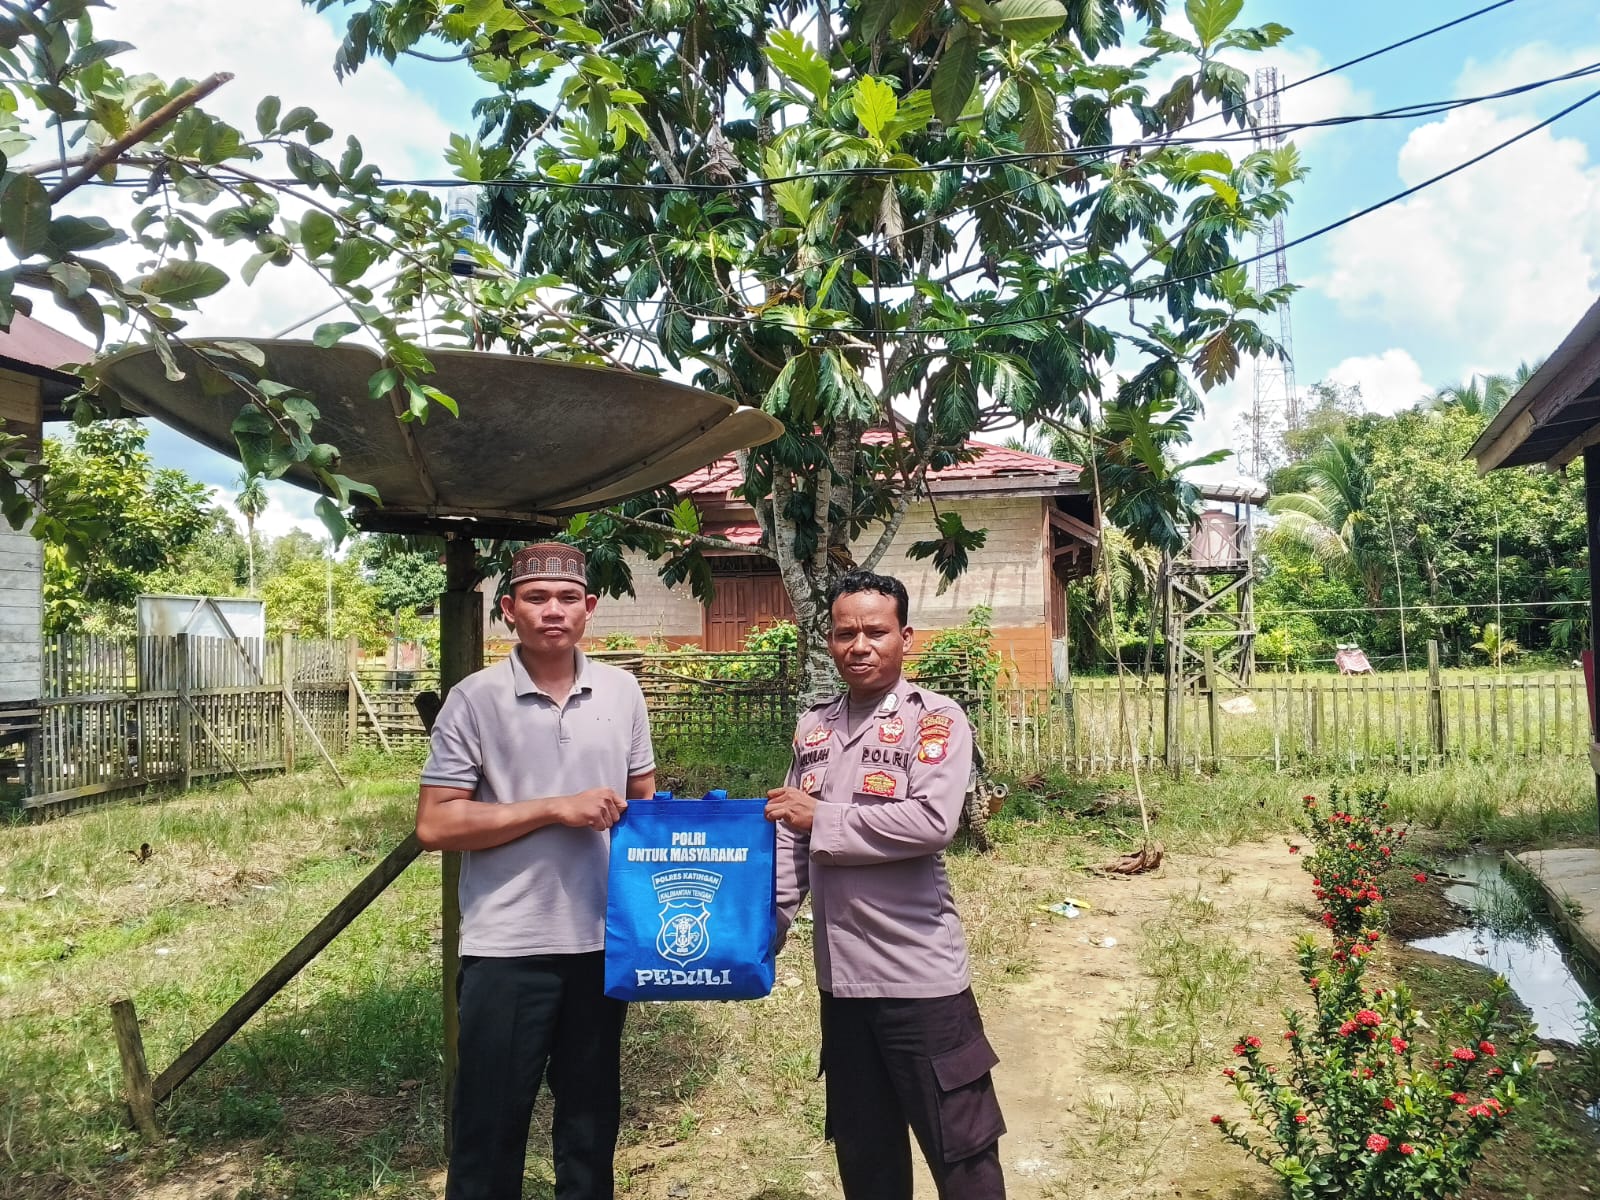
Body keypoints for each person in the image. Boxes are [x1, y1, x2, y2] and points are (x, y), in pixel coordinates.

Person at [416, 542, 656, 1200]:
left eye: (568, 598)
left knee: (589, 1128)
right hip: (507, 948)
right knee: (489, 1131)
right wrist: (555, 807)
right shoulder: (474, 700)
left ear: (590, 609)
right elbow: (435, 824)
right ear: (508, 611)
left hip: (601, 945)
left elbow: (647, 808)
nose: (554, 610)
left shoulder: (622, 690)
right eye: (536, 598)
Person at [765, 570, 1006, 1200]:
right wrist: (765, 926)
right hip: (841, 981)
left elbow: (931, 822)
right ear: (829, 639)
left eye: (876, 631)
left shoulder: (936, 721)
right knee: (865, 1153)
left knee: (963, 1154)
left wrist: (825, 819)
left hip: (918, 978)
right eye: (846, 633)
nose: (860, 645)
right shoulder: (814, 728)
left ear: (905, 636)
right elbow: (792, 835)